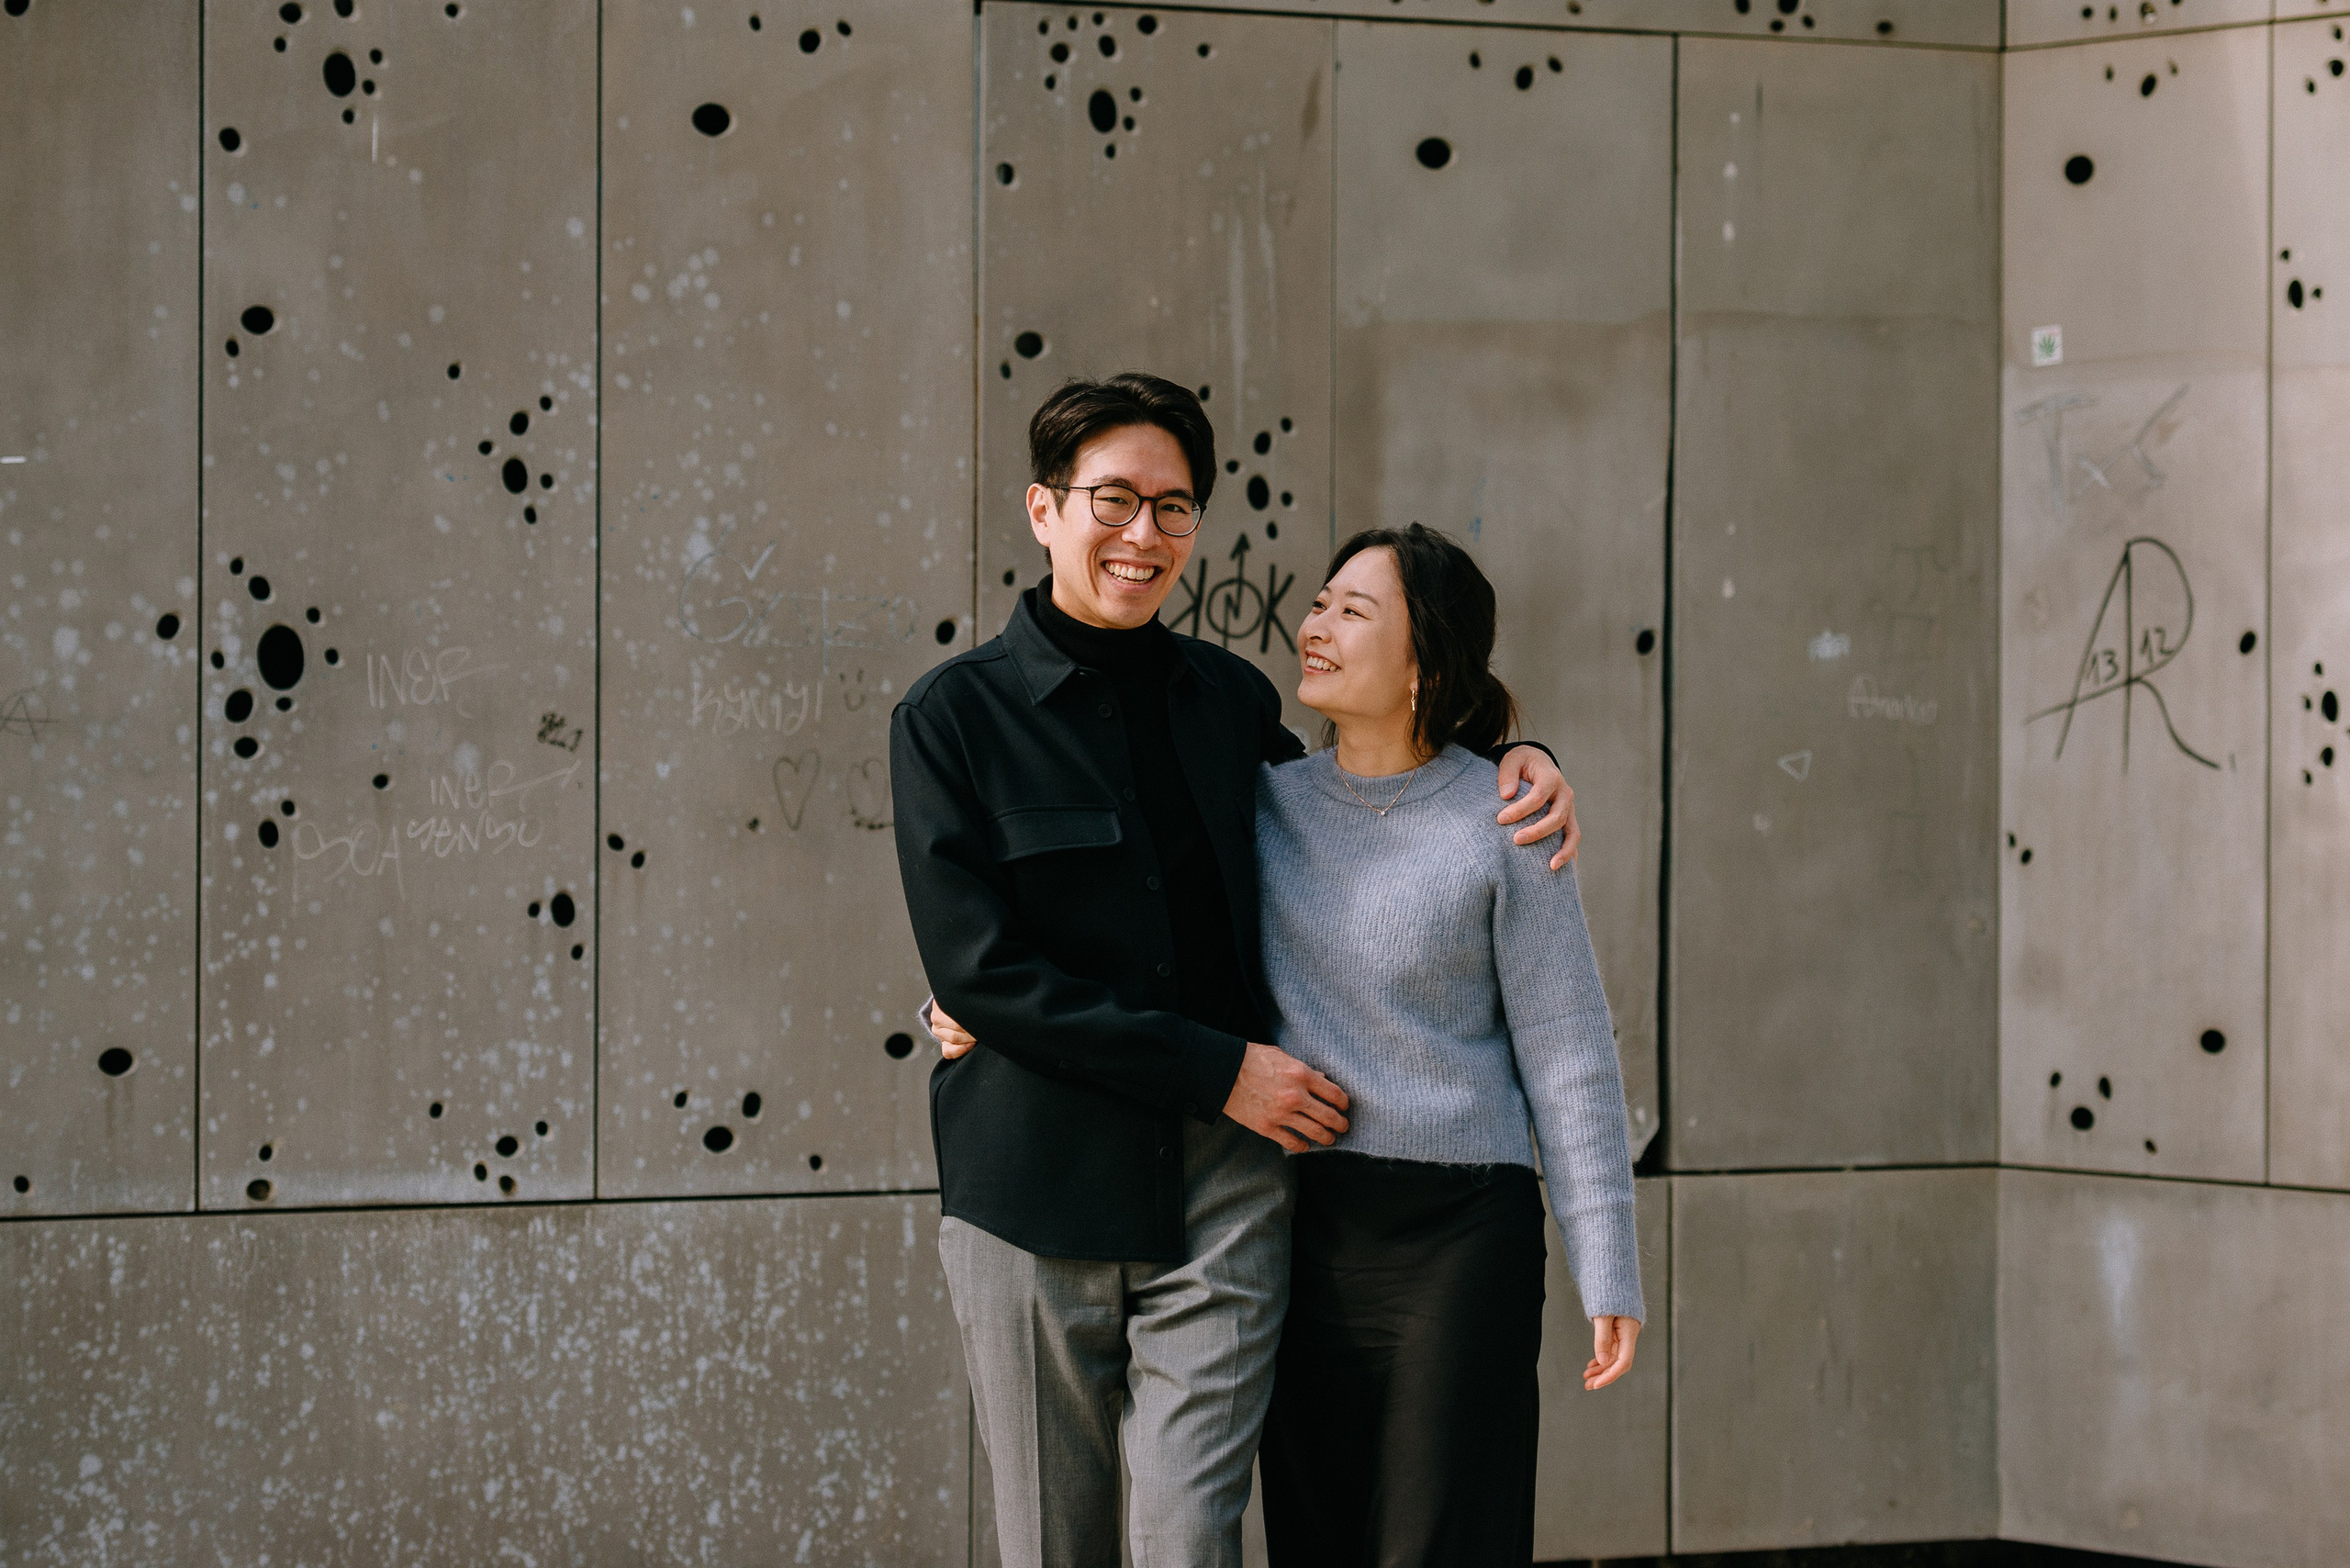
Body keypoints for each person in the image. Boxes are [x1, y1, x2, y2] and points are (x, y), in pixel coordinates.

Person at [888, 374, 1581, 1568]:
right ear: (1044, 510)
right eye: (1115, 501)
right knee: (1056, 1547)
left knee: (1186, 1541)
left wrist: (1519, 754)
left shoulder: (1230, 703)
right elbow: (980, 970)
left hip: (1222, 1207)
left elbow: (1375, 795)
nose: (1145, 536)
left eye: (1175, 509)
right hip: (1029, 1198)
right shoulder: (950, 720)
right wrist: (1224, 1072)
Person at [1250, 523, 1641, 1564]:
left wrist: (1607, 1262)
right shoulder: (1262, 805)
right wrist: (969, 999)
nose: (1313, 626)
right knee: (1317, 1538)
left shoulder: (1504, 815)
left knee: (1440, 1538)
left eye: (1352, 611)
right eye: (1320, 603)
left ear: (1425, 664)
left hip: (1462, 1234)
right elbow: (1136, 923)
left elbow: (1567, 1048)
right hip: (1302, 1225)